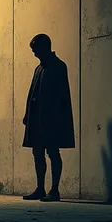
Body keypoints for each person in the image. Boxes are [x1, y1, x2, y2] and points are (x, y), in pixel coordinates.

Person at [22, 34, 75, 201]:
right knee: (37, 152)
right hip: (37, 118)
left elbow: (61, 95)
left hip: (51, 119)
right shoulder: (39, 68)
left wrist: (55, 117)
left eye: (35, 50)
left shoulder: (59, 66)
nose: (34, 54)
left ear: (44, 48)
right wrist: (27, 114)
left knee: (53, 152)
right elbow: (32, 93)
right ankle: (40, 188)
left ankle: (54, 190)